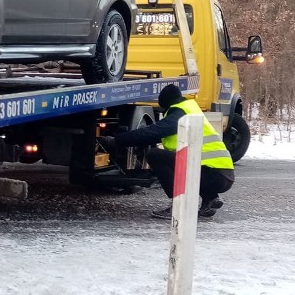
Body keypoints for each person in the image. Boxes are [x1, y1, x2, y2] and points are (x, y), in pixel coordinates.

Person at [101, 84, 235, 219]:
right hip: (223, 174)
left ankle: (179, 205)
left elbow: (152, 132)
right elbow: (155, 135)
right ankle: (210, 199)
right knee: (186, 162)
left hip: (212, 174)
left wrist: (116, 141)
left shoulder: (179, 114)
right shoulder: (190, 110)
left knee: (155, 155)